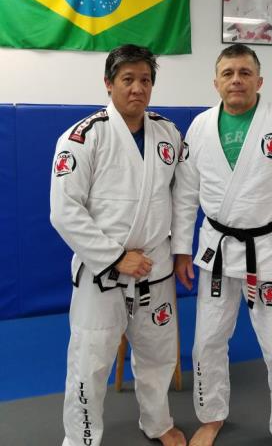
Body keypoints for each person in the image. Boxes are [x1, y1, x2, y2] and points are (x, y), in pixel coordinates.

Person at [171, 43, 272, 446]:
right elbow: (185, 194)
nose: (236, 80)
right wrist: (181, 250)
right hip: (217, 253)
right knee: (207, 343)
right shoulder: (200, 127)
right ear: (216, 82)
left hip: (269, 252)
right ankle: (211, 416)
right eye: (228, 73)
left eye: (244, 72)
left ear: (259, 80)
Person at [50, 44, 186, 446]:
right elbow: (64, 211)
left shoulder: (168, 133)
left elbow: (183, 197)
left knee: (158, 355)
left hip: (154, 269)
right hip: (103, 274)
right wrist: (115, 257)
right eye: (128, 79)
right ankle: (81, 438)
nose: (137, 88)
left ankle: (158, 423)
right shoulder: (82, 137)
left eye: (145, 80)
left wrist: (179, 250)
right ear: (109, 84)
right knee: (89, 362)